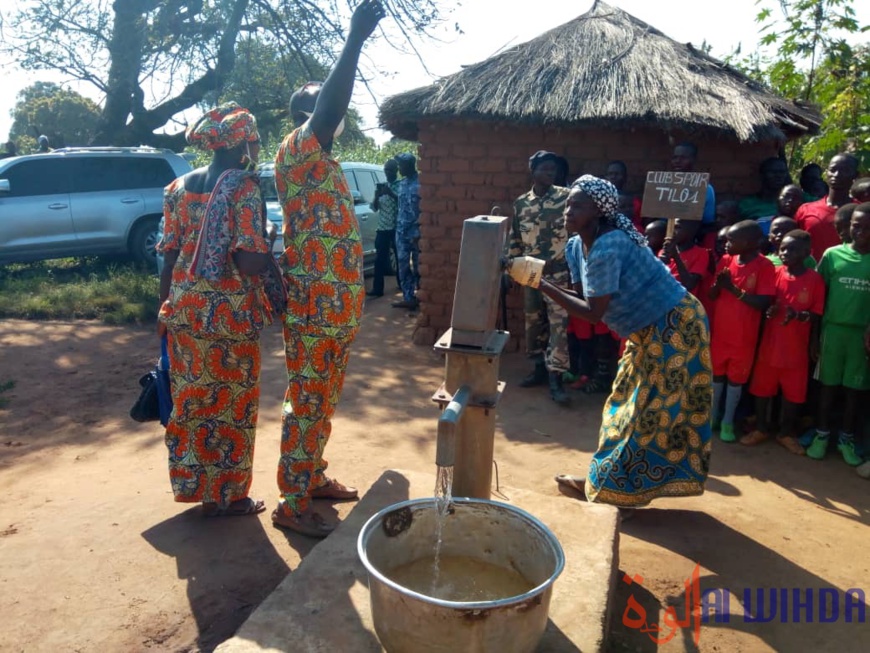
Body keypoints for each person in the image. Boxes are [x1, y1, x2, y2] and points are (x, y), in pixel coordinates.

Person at [509, 175, 712, 508]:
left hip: (675, 326)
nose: (568, 211)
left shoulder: (609, 245)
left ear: (599, 211)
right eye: (568, 204)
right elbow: (583, 296)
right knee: (620, 406)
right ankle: (604, 482)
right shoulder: (576, 246)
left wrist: (540, 283)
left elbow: (592, 313)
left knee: (646, 415)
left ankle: (619, 494)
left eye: (578, 206)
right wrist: (539, 279)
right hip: (645, 332)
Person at [272, 0, 384, 537]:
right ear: (307, 115)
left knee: (323, 399)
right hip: (315, 308)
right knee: (307, 400)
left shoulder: (327, 162)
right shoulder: (297, 150)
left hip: (337, 309)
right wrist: (355, 39)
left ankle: (312, 476)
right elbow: (330, 104)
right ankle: (291, 503)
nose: (337, 111)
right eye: (323, 106)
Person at [157, 102, 274, 518]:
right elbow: (249, 263)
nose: (256, 148)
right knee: (233, 405)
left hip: (184, 311)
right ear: (243, 143)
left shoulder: (176, 188)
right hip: (229, 317)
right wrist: (268, 235)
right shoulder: (243, 188)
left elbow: (169, 257)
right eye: (254, 140)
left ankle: (196, 488)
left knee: (192, 402)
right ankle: (231, 494)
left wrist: (164, 310)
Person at [742, 230, 825, 454]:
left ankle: (786, 433)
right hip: (769, 347)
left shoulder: (815, 280)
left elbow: (816, 314)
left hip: (796, 350)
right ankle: (761, 428)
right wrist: (770, 310)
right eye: (783, 248)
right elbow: (765, 303)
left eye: (791, 249)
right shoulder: (774, 273)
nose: (785, 253)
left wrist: (798, 315)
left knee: (793, 395)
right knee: (761, 390)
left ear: (806, 253)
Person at [806, 203, 870, 466]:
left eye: (868, 228)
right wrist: (814, 337)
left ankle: (846, 439)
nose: (861, 232)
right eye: (856, 226)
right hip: (832, 332)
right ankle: (821, 436)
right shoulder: (832, 255)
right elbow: (817, 299)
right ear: (848, 226)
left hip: (862, 338)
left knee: (854, 390)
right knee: (827, 387)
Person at [509, 150, 571, 405]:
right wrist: (511, 268)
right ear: (532, 171)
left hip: (559, 272)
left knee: (558, 326)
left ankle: (556, 378)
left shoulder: (567, 198)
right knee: (533, 323)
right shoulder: (521, 203)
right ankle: (538, 369)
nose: (550, 173)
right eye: (545, 168)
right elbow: (515, 239)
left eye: (553, 169)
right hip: (530, 272)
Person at [708, 220, 776, 443]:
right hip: (721, 333)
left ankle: (728, 421)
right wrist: (719, 285)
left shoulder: (764, 266)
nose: (726, 244)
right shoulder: (726, 261)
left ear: (748, 243)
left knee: (736, 380)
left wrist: (732, 289)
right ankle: (713, 417)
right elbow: (712, 295)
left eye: (732, 240)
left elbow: (763, 302)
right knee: (717, 376)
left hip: (743, 337)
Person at [795, 154, 858, 261]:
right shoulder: (805, 210)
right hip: (812, 271)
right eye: (832, 170)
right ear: (826, 173)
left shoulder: (861, 212)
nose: (837, 174)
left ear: (855, 175)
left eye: (844, 170)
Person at [392, 152, 421, 309]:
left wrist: (420, 231)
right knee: (403, 266)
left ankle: (422, 297)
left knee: (419, 267)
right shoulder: (402, 184)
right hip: (401, 232)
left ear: (409, 165)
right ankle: (408, 298)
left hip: (416, 233)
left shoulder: (421, 184)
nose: (399, 169)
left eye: (401, 165)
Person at [368, 158, 399, 298]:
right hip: (382, 228)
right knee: (379, 260)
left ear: (396, 171)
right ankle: (377, 289)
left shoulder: (400, 186)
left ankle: (402, 285)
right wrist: (377, 196)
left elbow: (405, 203)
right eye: (386, 170)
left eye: (390, 170)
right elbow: (374, 208)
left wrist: (391, 194)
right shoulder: (382, 186)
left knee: (399, 258)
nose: (388, 173)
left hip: (396, 228)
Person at [659, 219, 711, 297]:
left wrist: (676, 257)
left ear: (692, 230)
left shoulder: (701, 253)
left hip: (682, 302)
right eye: (671, 228)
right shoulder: (663, 251)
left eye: (677, 227)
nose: (672, 232)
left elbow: (689, 285)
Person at [738, 157, 791, 234]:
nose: (778, 176)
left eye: (782, 172)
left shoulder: (792, 202)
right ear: (762, 175)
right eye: (773, 172)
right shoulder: (747, 204)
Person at [603, 160, 641, 227]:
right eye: (610, 174)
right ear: (606, 177)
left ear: (625, 178)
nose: (613, 177)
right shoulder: (598, 200)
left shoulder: (635, 202)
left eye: (617, 174)